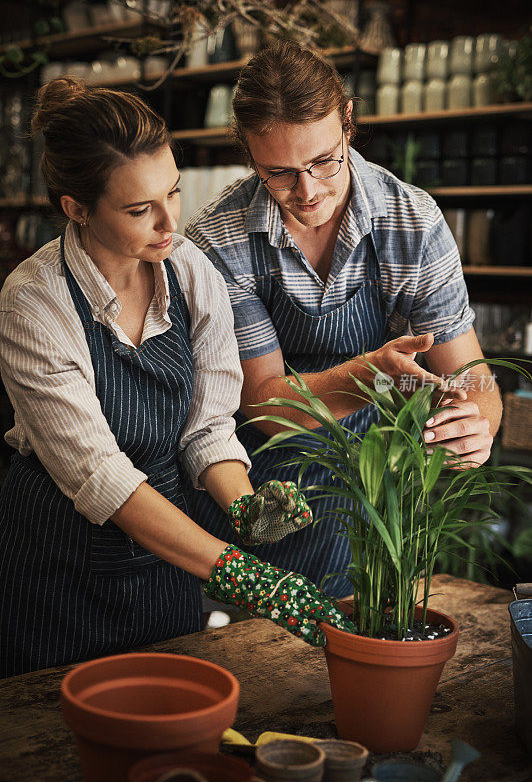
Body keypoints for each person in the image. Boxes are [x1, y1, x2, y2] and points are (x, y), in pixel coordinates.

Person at [0, 78, 354, 678]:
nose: (171, 222)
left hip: (170, 561)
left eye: (174, 193)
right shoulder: (34, 303)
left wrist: (246, 509)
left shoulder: (189, 273)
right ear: (77, 208)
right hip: (60, 565)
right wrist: (245, 575)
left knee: (172, 710)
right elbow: (102, 477)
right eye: (140, 210)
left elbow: (206, 431)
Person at [186, 41, 502, 597]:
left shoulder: (412, 223)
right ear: (247, 154)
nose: (306, 192)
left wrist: (478, 421)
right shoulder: (220, 239)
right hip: (261, 483)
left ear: (349, 123)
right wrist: (369, 376)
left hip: (378, 485)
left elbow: (472, 374)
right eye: (278, 173)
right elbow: (262, 402)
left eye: (323, 161)